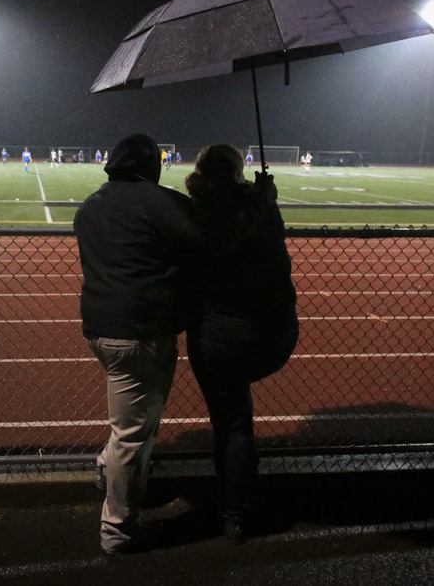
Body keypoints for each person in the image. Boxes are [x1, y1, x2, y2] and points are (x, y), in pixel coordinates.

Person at [74, 133, 202, 555]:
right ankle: (117, 531)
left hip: (100, 330)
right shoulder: (160, 202)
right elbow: (203, 243)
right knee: (131, 434)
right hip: (140, 333)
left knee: (132, 423)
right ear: (152, 165)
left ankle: (109, 473)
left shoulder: (91, 206)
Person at [183, 144, 298, 544]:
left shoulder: (196, 211)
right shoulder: (262, 207)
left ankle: (233, 510)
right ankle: (244, 484)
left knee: (231, 424)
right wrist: (264, 198)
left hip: (220, 339)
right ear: (237, 171)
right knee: (238, 421)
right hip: (274, 336)